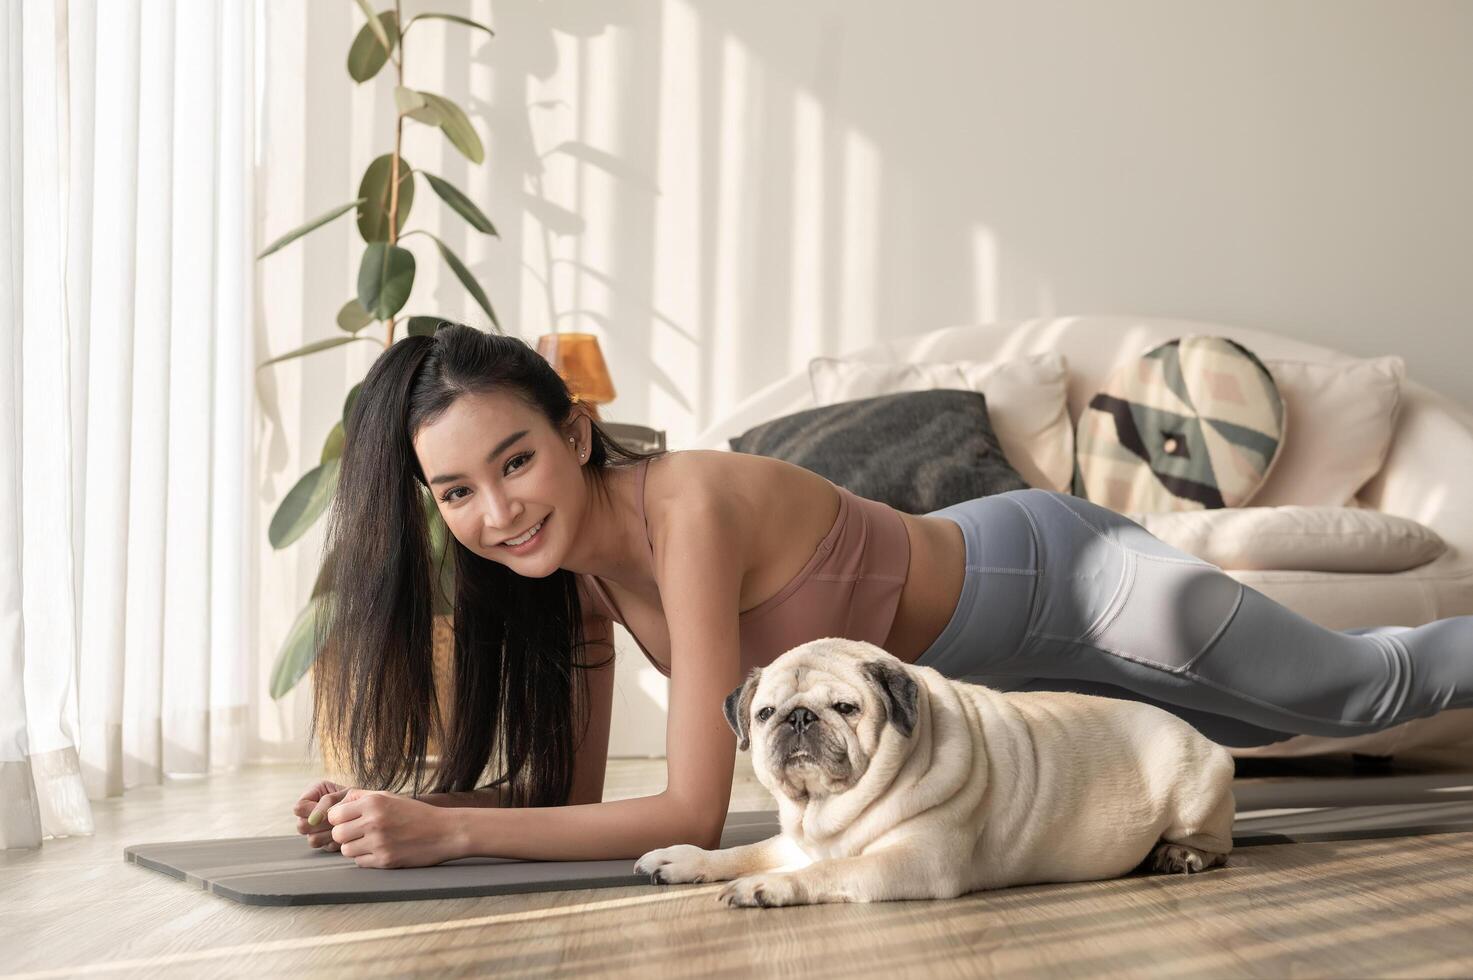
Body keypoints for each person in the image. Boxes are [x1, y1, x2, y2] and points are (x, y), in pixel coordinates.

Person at [291, 322, 1473, 869]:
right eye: (455, 493)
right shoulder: (572, 582)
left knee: (1359, 692)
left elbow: (694, 815)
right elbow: (587, 803)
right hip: (1014, 687)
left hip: (1071, 579)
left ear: (577, 430)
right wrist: (405, 806)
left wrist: (447, 832)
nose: (496, 513)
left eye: (516, 462)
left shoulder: (684, 506)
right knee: (1249, 726)